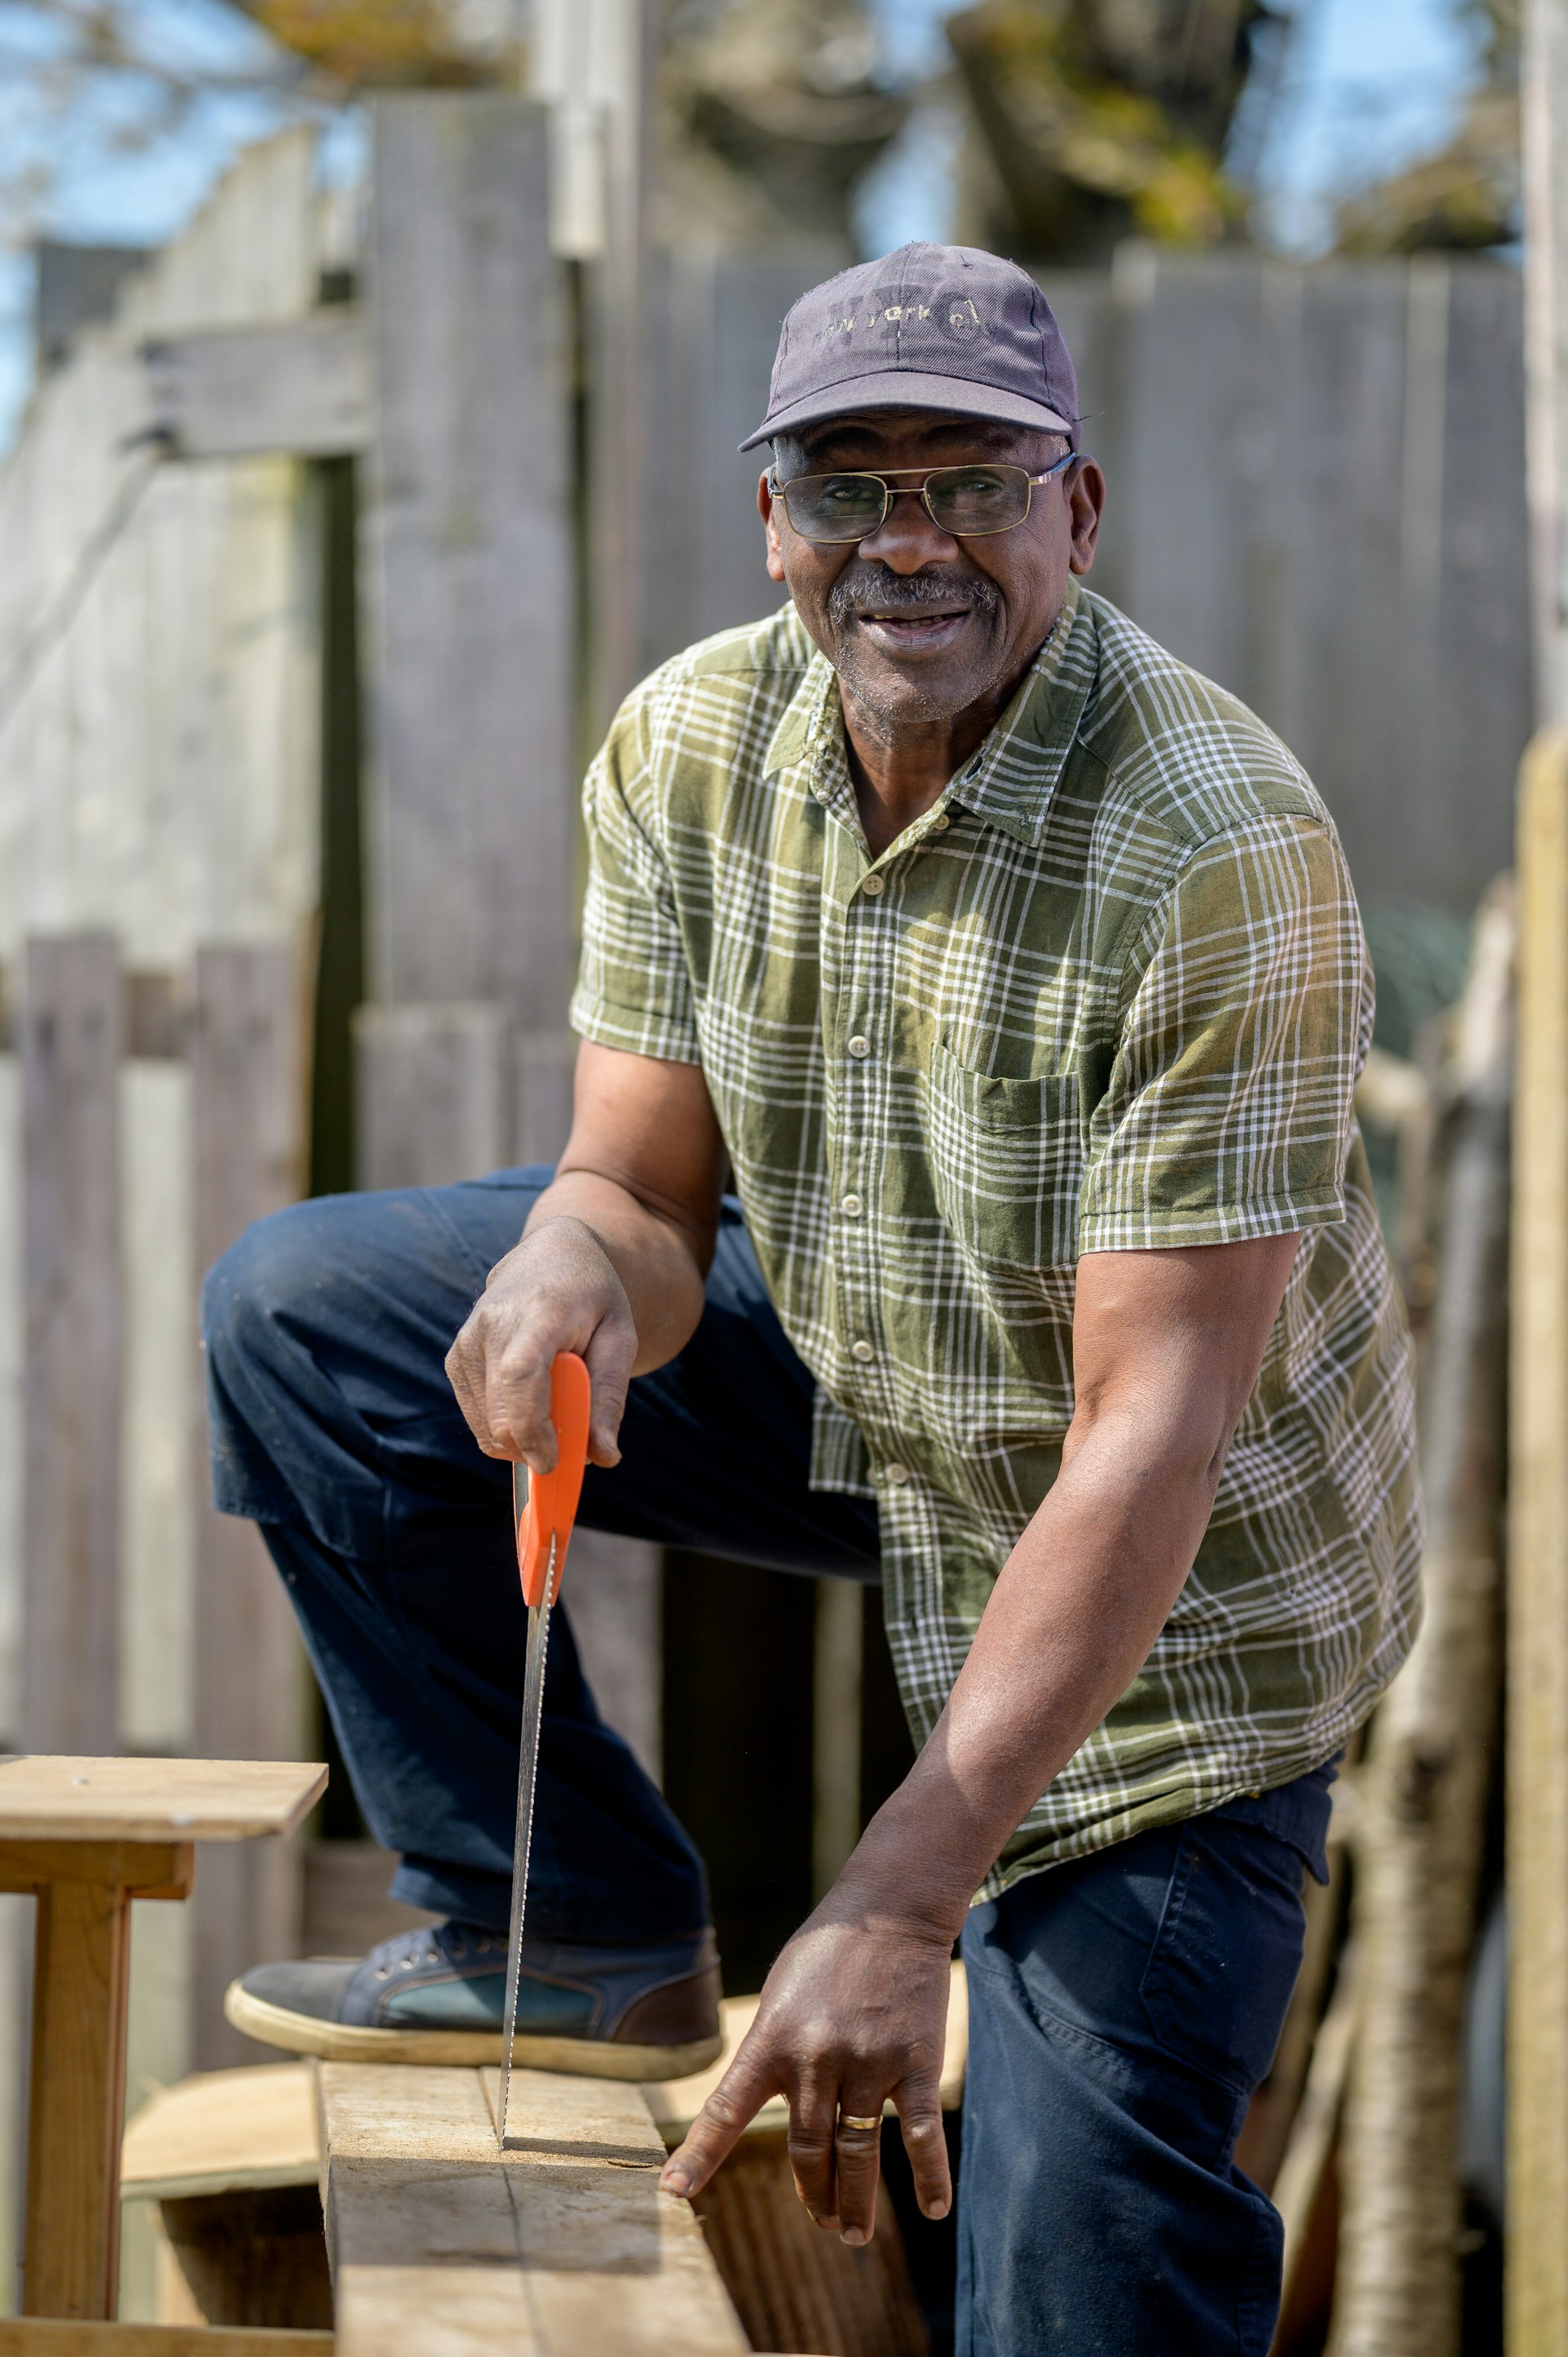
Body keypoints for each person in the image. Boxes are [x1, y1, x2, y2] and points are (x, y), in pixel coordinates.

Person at [207, 243, 1419, 2354]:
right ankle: (565, 1923)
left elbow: (1151, 1424)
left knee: (1077, 2271)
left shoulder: (1216, 846)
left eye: (972, 478)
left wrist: (896, 1896)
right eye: (850, 485)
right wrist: (573, 1266)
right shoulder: (693, 742)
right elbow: (644, 1182)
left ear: (1081, 506)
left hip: (1171, 1578)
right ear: (772, 517)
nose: (910, 540)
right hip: (878, 1376)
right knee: (311, 1313)